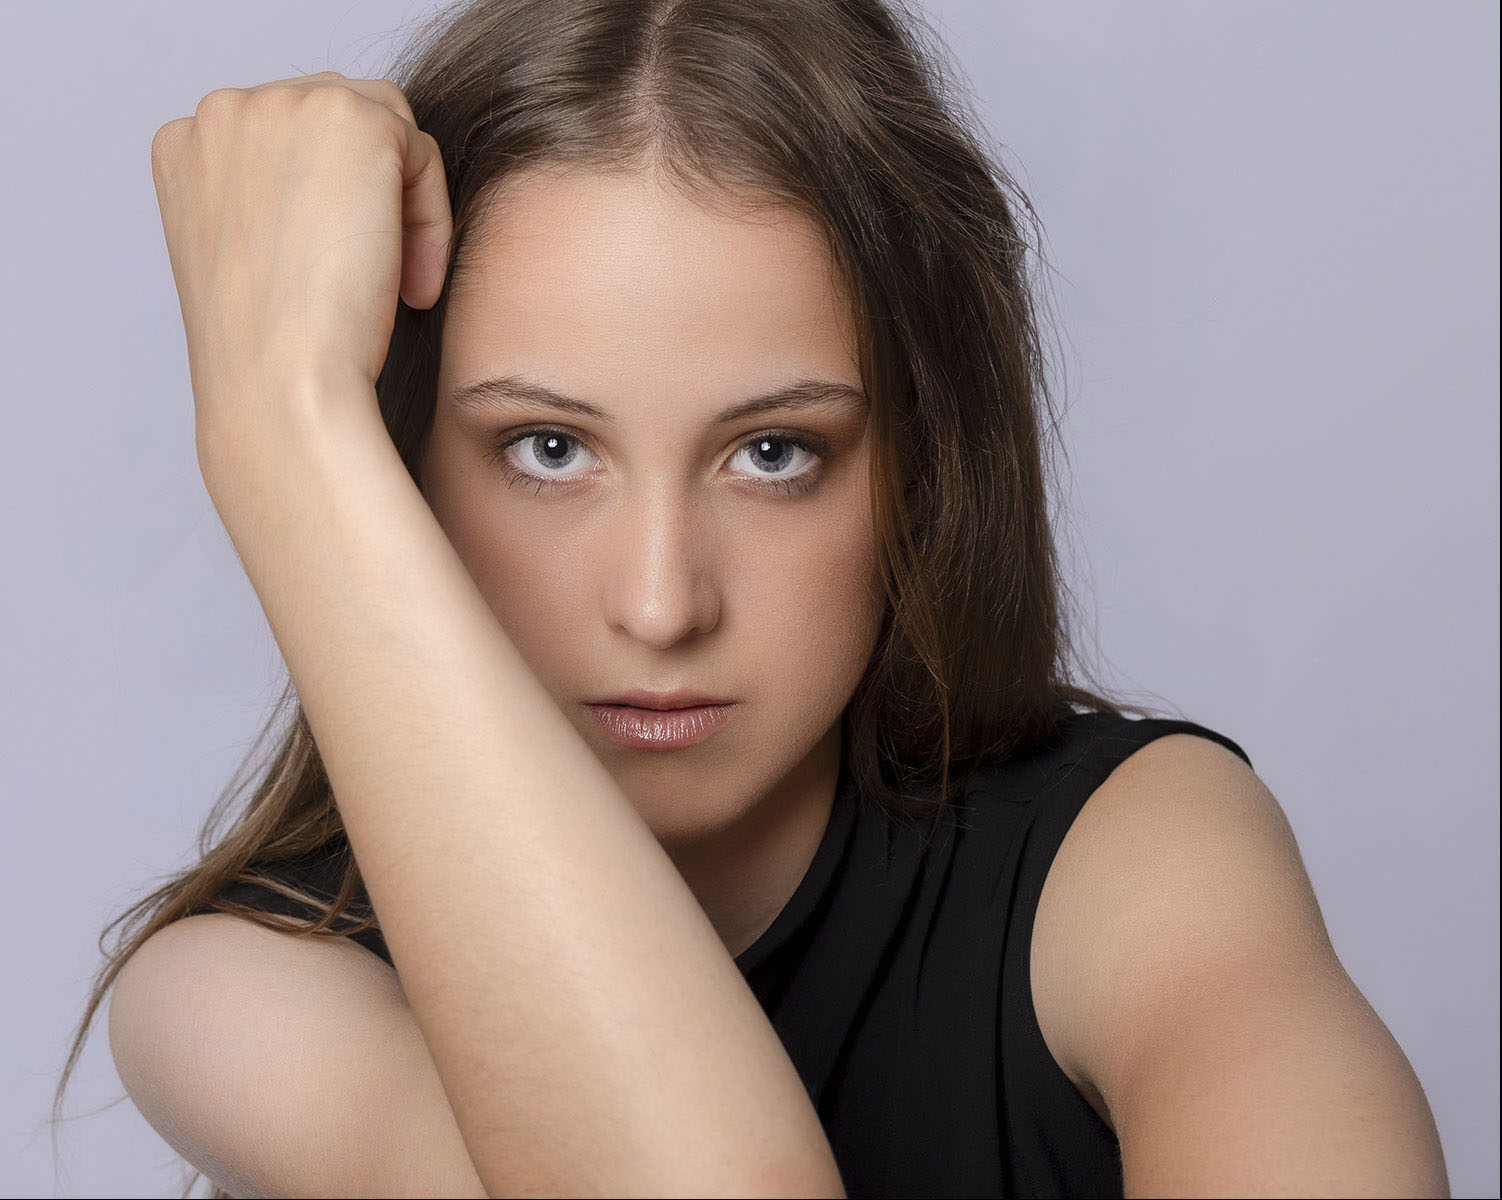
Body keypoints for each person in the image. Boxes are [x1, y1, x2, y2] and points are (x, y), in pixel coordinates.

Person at [54, 1, 1450, 1197]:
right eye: (546, 450)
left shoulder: (1132, 861)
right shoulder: (246, 989)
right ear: (401, 461)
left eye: (773, 453)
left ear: (918, 466)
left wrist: (284, 422)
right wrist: (285, 430)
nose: (661, 606)